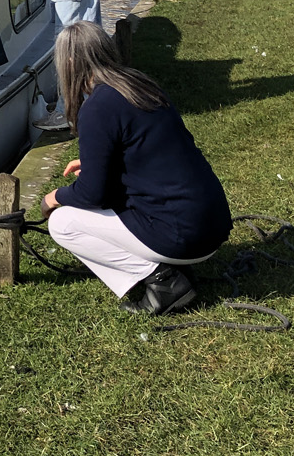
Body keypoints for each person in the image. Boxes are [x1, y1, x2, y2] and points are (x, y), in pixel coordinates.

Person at [40, 21, 232, 315]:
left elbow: (93, 195)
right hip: (212, 223)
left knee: (63, 223)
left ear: (69, 62)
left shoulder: (97, 107)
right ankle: (170, 265)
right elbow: (146, 149)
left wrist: (54, 197)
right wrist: (96, 163)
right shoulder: (138, 84)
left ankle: (164, 281)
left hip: (185, 235)